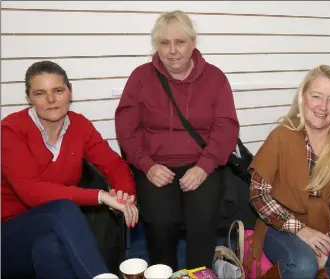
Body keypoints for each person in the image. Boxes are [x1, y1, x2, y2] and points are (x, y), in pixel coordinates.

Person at [114, 10, 239, 270]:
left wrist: (204, 167)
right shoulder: (141, 77)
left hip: (202, 164)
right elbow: (127, 129)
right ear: (156, 45)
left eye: (179, 42)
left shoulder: (215, 78)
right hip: (156, 165)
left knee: (202, 221)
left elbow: (225, 127)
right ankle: (163, 272)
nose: (172, 50)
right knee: (160, 222)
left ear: (193, 42)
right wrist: (147, 165)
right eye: (164, 43)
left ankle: (199, 273)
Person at [1, 61, 139, 279]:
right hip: (9, 237)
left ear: (69, 91)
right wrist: (101, 196)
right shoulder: (10, 131)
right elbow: (31, 192)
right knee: (63, 210)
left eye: (58, 90)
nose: (51, 100)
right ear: (29, 98)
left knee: (51, 249)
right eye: (40, 93)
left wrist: (124, 195)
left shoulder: (79, 125)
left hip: (50, 233)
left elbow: (114, 164)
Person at [245, 65, 330, 279]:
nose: (323, 106)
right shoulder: (282, 136)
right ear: (303, 98)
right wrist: (301, 230)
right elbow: (258, 195)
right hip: (280, 226)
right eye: (316, 96)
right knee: (304, 265)